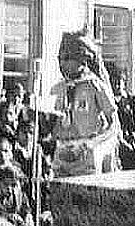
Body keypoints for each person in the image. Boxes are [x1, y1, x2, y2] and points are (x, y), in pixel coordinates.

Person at [50, 30, 120, 176]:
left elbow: (113, 126)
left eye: (67, 58)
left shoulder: (95, 86)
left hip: (86, 153)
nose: (62, 63)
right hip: (62, 154)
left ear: (81, 59)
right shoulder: (59, 88)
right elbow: (56, 123)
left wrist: (92, 145)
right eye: (60, 58)